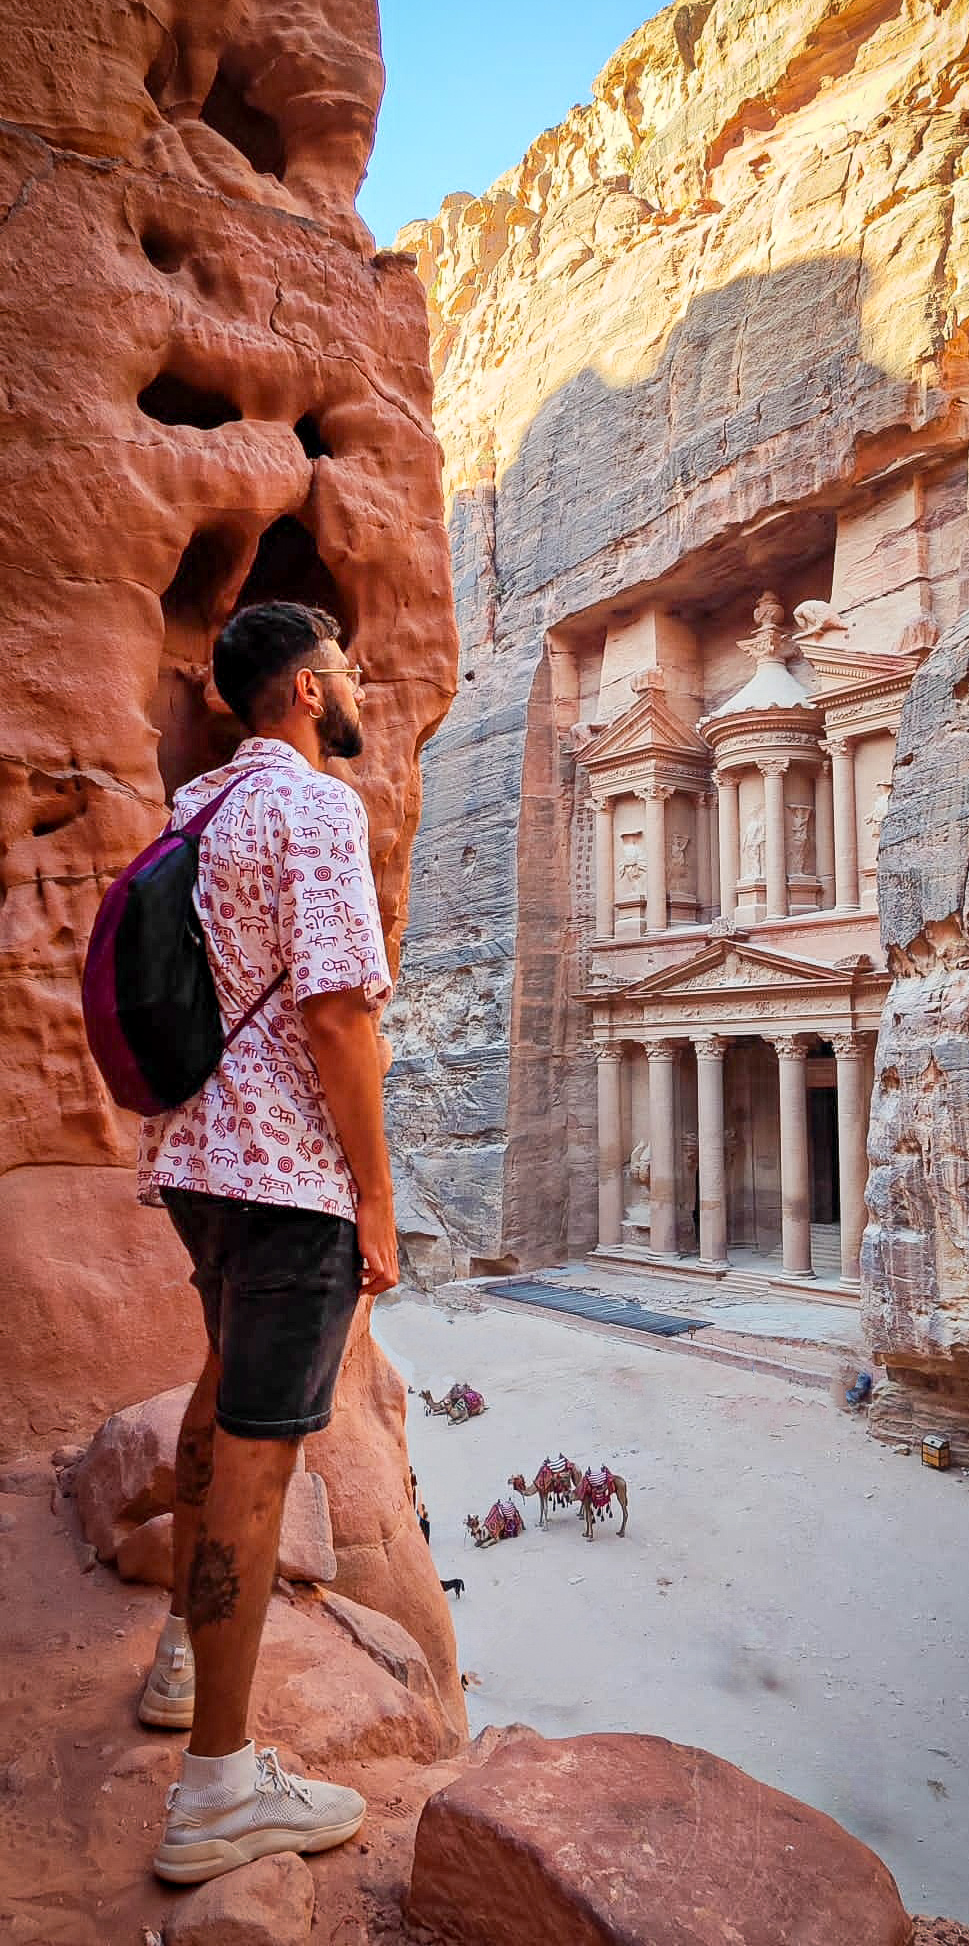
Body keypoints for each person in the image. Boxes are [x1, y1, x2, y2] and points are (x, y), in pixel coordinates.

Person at [134, 601, 399, 1884]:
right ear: (303, 688)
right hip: (289, 1179)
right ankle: (218, 1791)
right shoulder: (315, 808)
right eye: (341, 668)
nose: (356, 684)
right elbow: (340, 1016)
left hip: (196, 1162)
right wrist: (378, 1200)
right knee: (255, 1462)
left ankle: (188, 1652)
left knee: (213, 1398)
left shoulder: (198, 809)